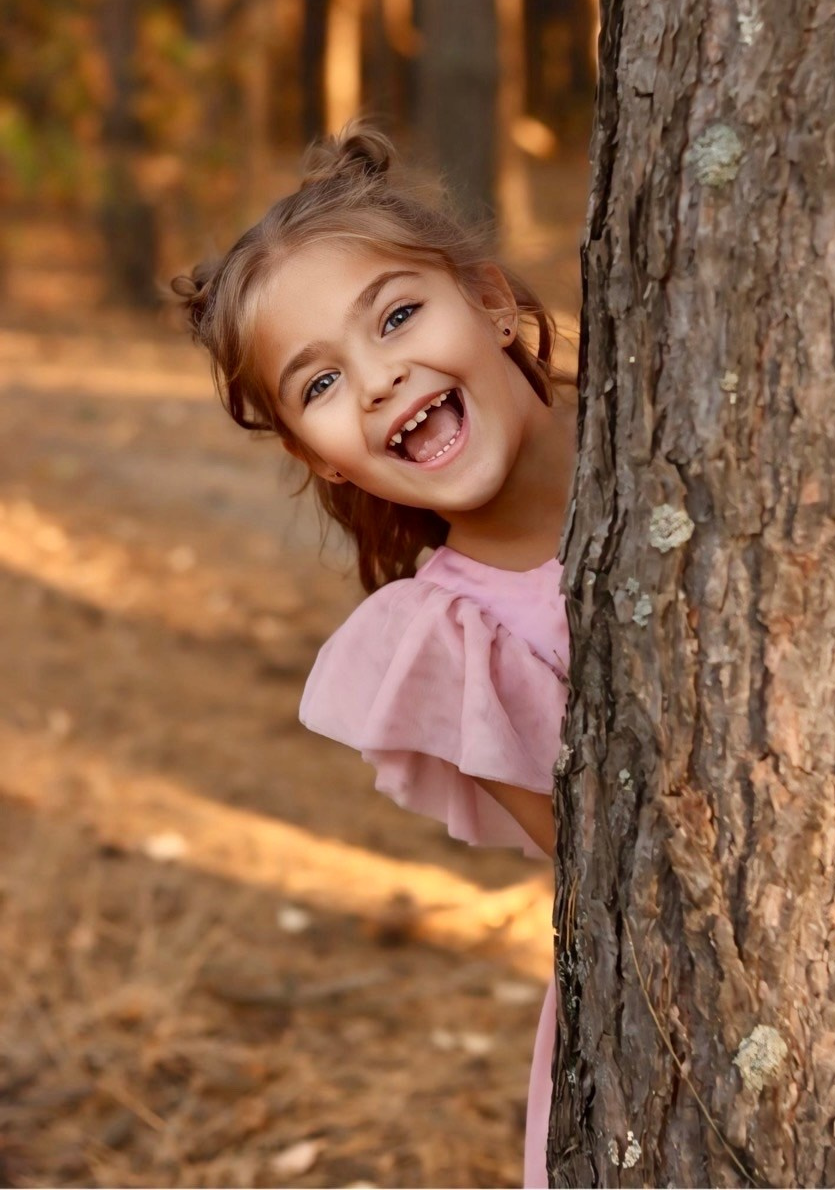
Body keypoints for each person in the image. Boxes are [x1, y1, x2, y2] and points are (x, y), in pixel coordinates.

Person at [173, 124, 576, 1188]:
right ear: (321, 458)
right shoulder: (454, 641)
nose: (381, 378)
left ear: (490, 300)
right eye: (318, 385)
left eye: (397, 315)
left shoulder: (693, 419)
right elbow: (611, 874)